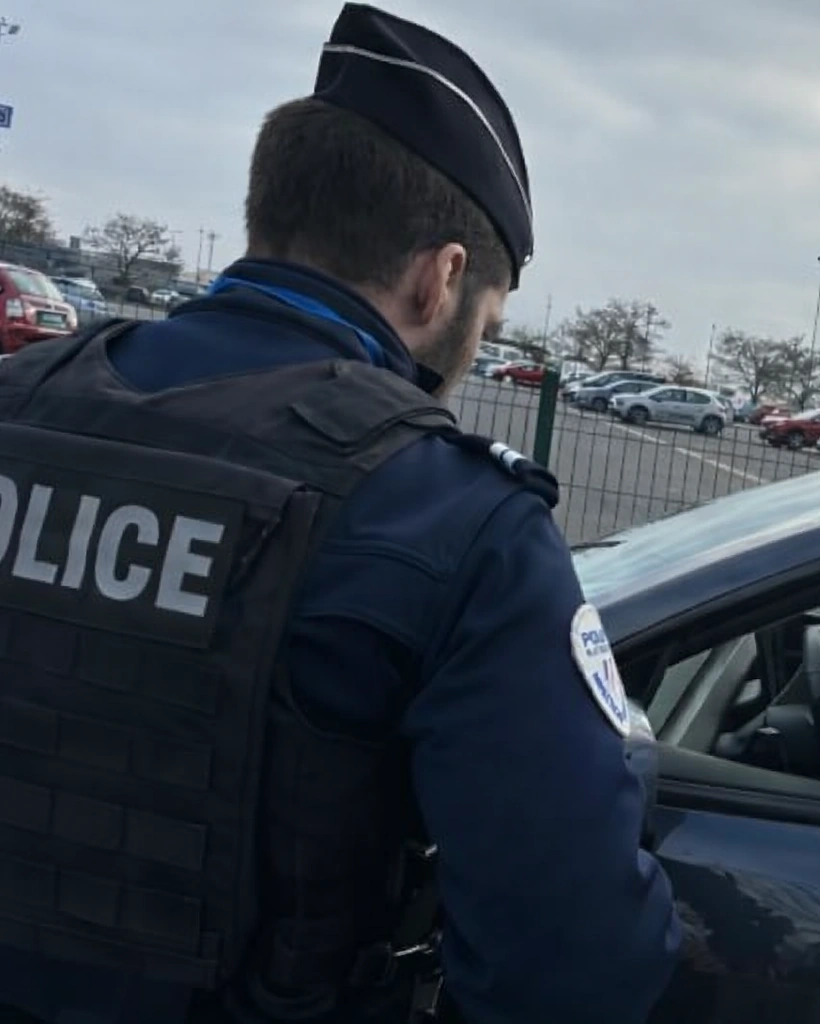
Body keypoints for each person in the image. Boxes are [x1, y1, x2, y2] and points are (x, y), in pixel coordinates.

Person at [0, 5, 678, 1022]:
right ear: (439, 278)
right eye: (483, 327)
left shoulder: (23, 402)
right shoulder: (455, 519)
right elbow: (574, 968)